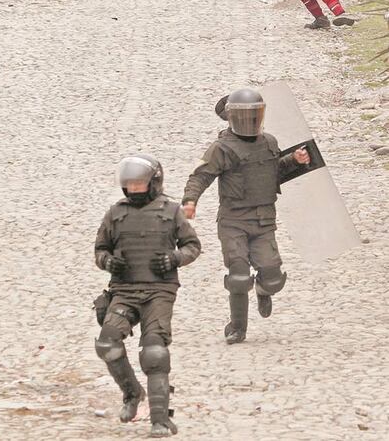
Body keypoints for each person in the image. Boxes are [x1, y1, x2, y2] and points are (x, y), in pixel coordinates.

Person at [182, 89, 310, 345]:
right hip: (233, 221)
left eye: (254, 115)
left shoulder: (269, 142)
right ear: (232, 117)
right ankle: (237, 327)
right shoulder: (222, 147)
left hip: (264, 220)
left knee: (273, 279)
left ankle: (263, 289)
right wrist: (190, 200)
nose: (249, 120)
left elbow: (274, 172)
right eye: (244, 115)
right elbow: (201, 175)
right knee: (239, 277)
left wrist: (295, 160)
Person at [95, 154, 201, 438]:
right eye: (130, 184)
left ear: (153, 183)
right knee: (107, 342)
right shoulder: (115, 214)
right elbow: (100, 250)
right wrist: (108, 262)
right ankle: (132, 393)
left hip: (159, 291)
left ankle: (160, 420)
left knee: (154, 351)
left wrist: (174, 258)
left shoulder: (171, 211)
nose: (134, 189)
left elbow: (192, 246)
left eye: (139, 184)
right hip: (124, 290)